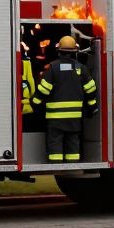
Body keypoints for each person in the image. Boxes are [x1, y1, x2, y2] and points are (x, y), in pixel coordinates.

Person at [31, 35, 98, 163]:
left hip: (55, 119)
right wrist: (92, 107)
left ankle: (56, 166)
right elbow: (91, 89)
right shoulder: (81, 68)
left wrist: (34, 103)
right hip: (74, 118)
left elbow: (44, 90)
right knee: (72, 141)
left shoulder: (53, 68)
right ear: (75, 51)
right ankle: (72, 166)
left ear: (59, 50)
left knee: (55, 141)